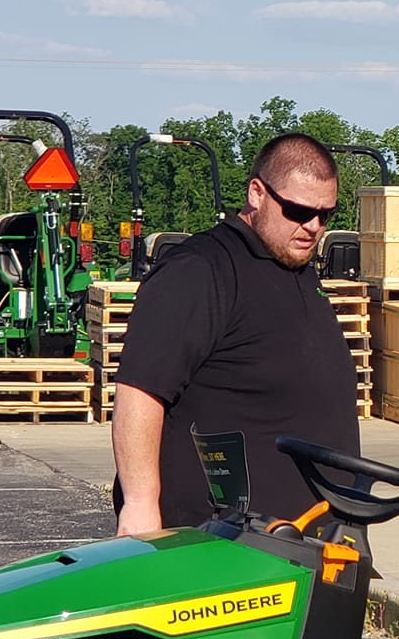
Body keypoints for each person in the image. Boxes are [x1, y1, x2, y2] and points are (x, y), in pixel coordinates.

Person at [112, 131, 360, 533]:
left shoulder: (297, 270)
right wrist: (140, 504)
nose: (313, 227)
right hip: (221, 542)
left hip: (310, 539)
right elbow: (141, 391)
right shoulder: (201, 270)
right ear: (257, 193)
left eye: (324, 214)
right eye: (297, 210)